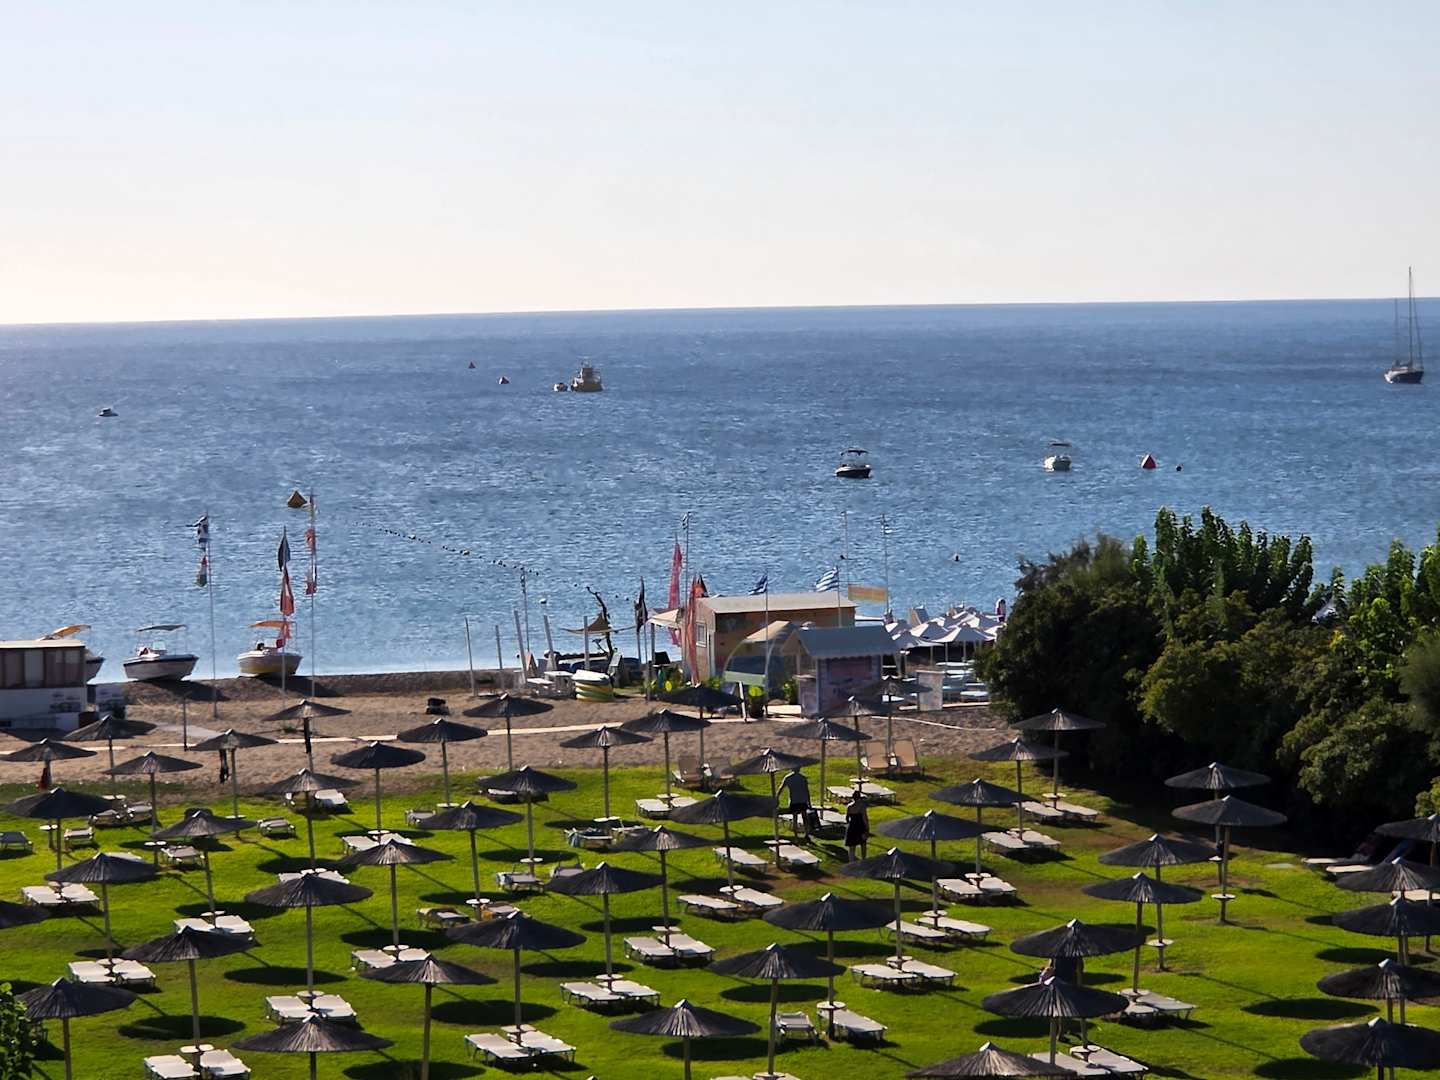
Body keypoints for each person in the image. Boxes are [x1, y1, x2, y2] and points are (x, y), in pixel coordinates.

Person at [778, 764, 811, 838]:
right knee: (804, 817)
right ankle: (807, 834)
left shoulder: (788, 778)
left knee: (795, 818)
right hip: (802, 800)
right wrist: (809, 802)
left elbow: (781, 788)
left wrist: (777, 797)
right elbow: (807, 791)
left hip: (794, 800)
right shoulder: (803, 778)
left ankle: (796, 835)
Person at [844, 791, 869, 861]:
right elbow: (864, 818)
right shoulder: (862, 806)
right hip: (860, 827)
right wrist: (867, 828)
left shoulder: (849, 806)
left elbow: (847, 818)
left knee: (852, 846)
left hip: (852, 827)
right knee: (863, 844)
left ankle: (851, 861)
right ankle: (863, 859)